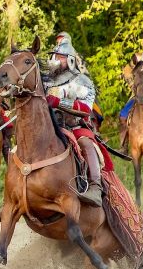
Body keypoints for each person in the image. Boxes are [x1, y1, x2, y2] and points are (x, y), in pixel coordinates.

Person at [43, 37, 107, 207]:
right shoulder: (44, 81)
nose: (56, 60)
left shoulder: (82, 80)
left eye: (60, 57)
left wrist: (57, 102)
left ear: (70, 60)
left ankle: (95, 186)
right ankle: (14, 193)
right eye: (54, 56)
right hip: (48, 127)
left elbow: (86, 109)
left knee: (87, 143)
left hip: (74, 126)